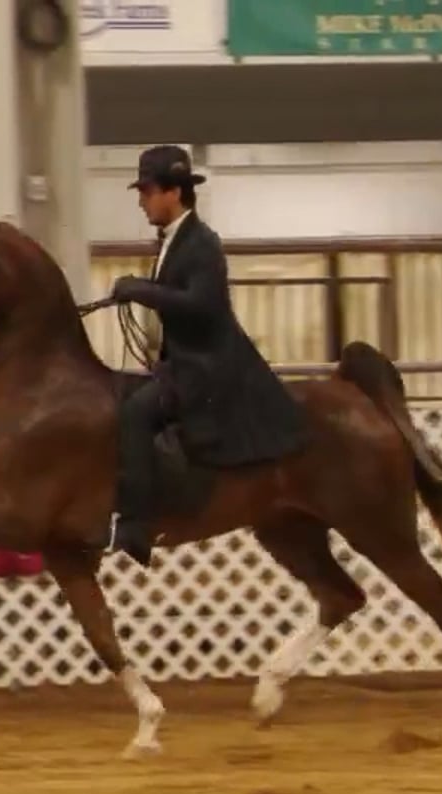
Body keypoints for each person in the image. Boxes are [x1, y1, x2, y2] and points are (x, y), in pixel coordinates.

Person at [104, 145, 308, 567]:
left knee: (136, 414)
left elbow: (202, 304)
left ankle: (137, 523)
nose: (141, 200)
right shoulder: (173, 240)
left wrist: (141, 290)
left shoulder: (202, 242)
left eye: (147, 191)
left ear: (173, 192)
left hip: (208, 369)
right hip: (184, 362)